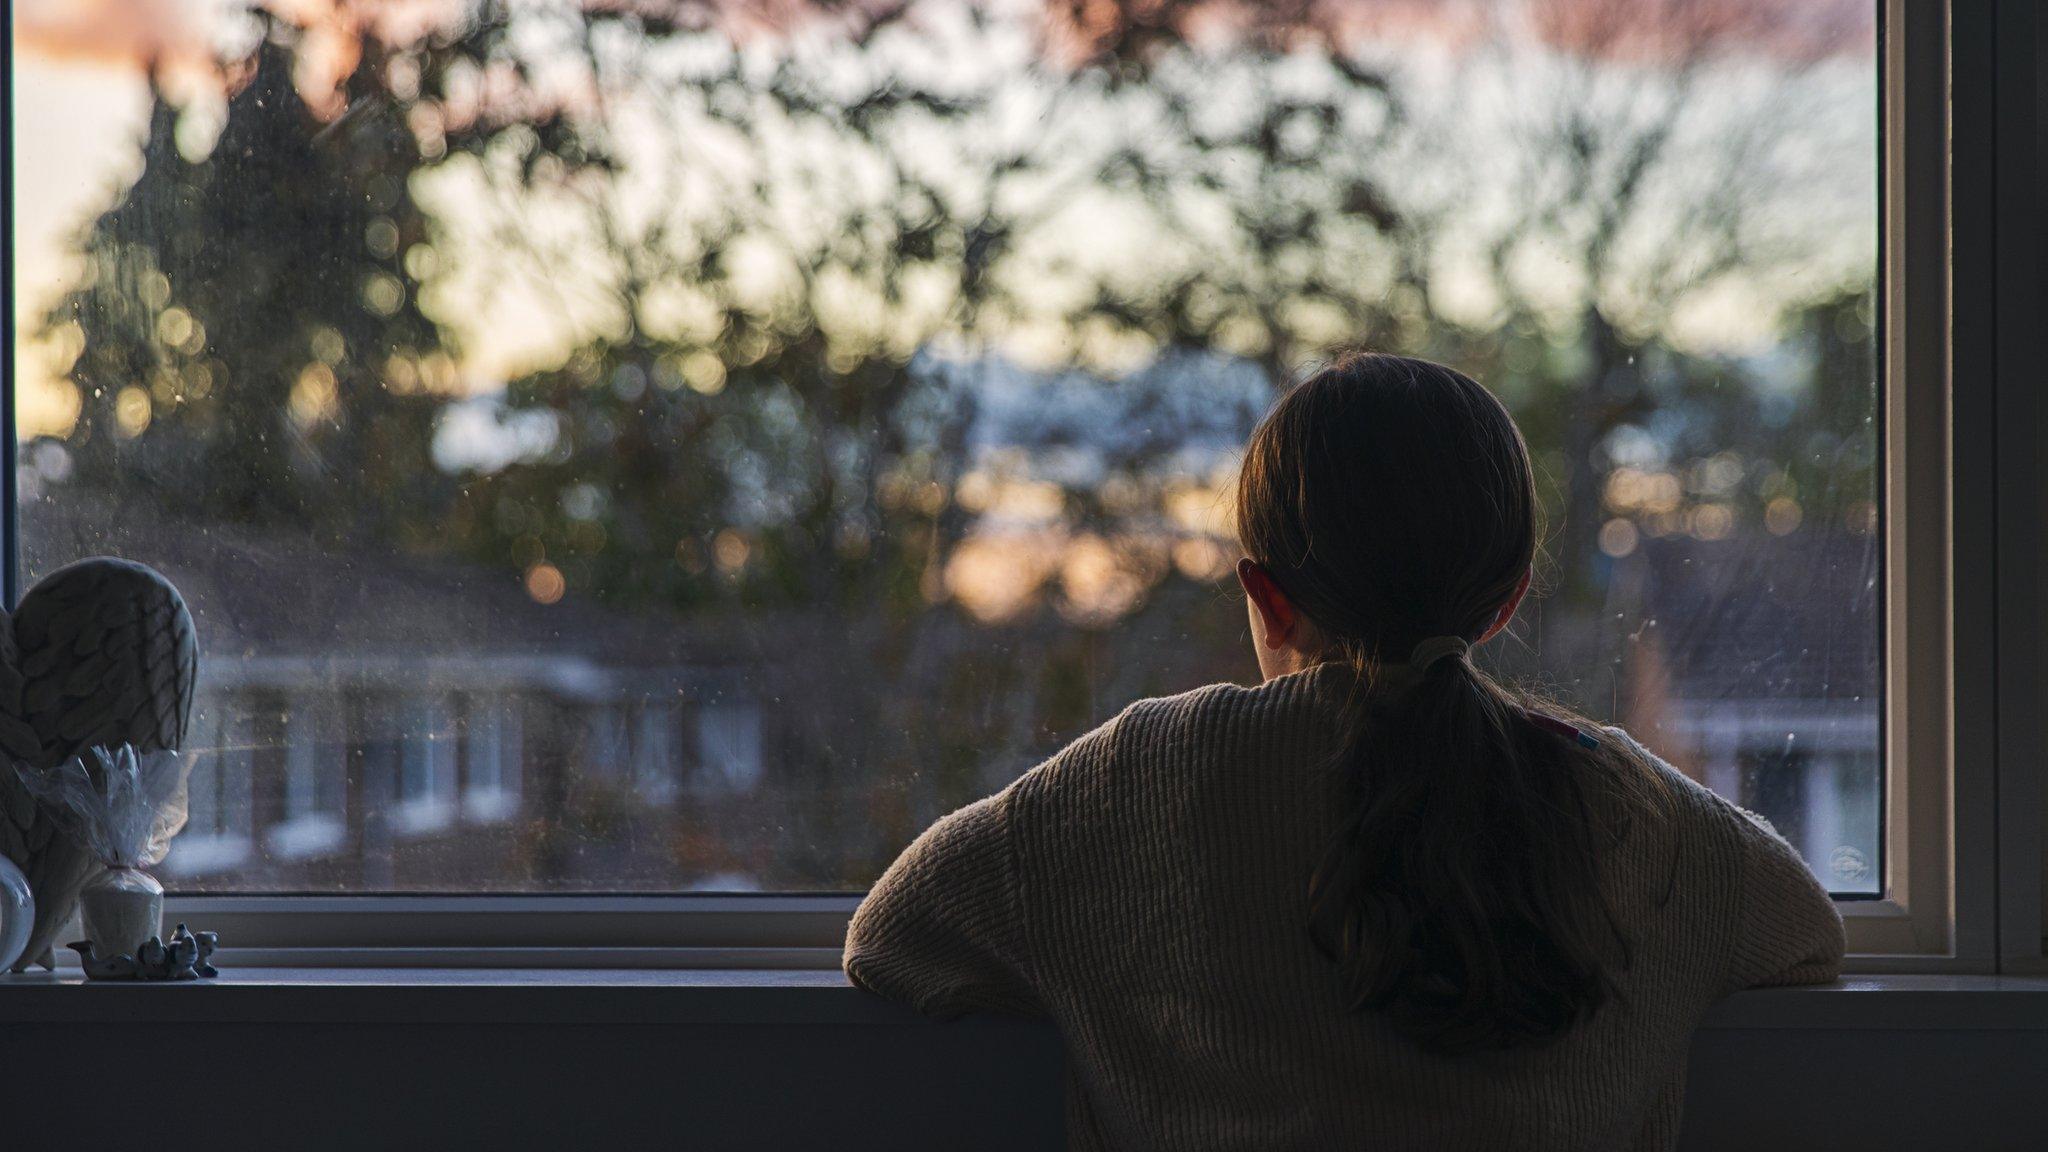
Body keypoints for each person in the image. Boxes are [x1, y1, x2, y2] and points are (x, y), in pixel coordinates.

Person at [844, 351, 1844, 1150]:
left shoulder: (1144, 779)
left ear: (1264, 597)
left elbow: (892, 935)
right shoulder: (1626, 806)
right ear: (1503, 602)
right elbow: (1804, 935)